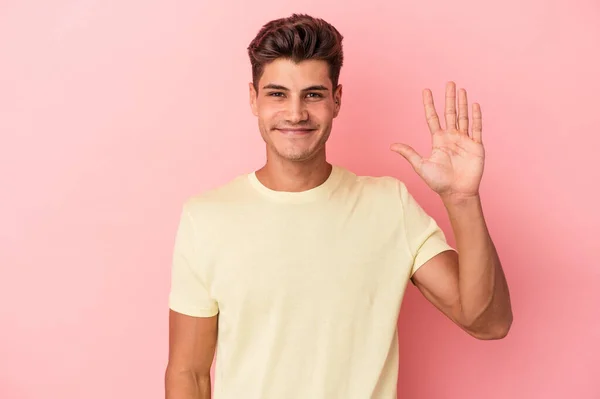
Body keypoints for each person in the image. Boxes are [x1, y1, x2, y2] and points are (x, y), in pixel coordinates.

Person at [164, 13, 513, 399]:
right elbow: (188, 373)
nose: (295, 113)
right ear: (253, 98)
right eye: (277, 94)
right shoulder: (208, 217)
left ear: (337, 99)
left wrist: (462, 200)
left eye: (312, 94)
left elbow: (489, 322)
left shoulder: (388, 205)